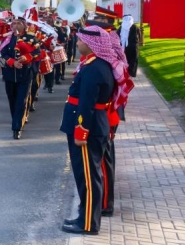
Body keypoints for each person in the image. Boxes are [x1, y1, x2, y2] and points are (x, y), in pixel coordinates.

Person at [60, 24, 131, 236]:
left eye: (81, 40)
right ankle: (84, 215)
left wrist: (81, 130)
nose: (78, 43)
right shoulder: (95, 64)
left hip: (88, 128)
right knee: (86, 176)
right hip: (92, 125)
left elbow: (87, 103)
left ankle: (89, 223)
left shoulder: (94, 68)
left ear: (91, 44)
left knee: (89, 178)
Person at [0, 18, 38, 140]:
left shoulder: (31, 38)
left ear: (24, 25)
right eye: (14, 23)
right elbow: (2, 53)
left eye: (19, 23)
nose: (16, 25)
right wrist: (12, 62)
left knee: (21, 101)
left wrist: (27, 57)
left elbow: (38, 52)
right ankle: (16, 120)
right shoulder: (7, 38)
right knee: (12, 100)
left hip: (25, 74)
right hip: (9, 74)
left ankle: (17, 128)